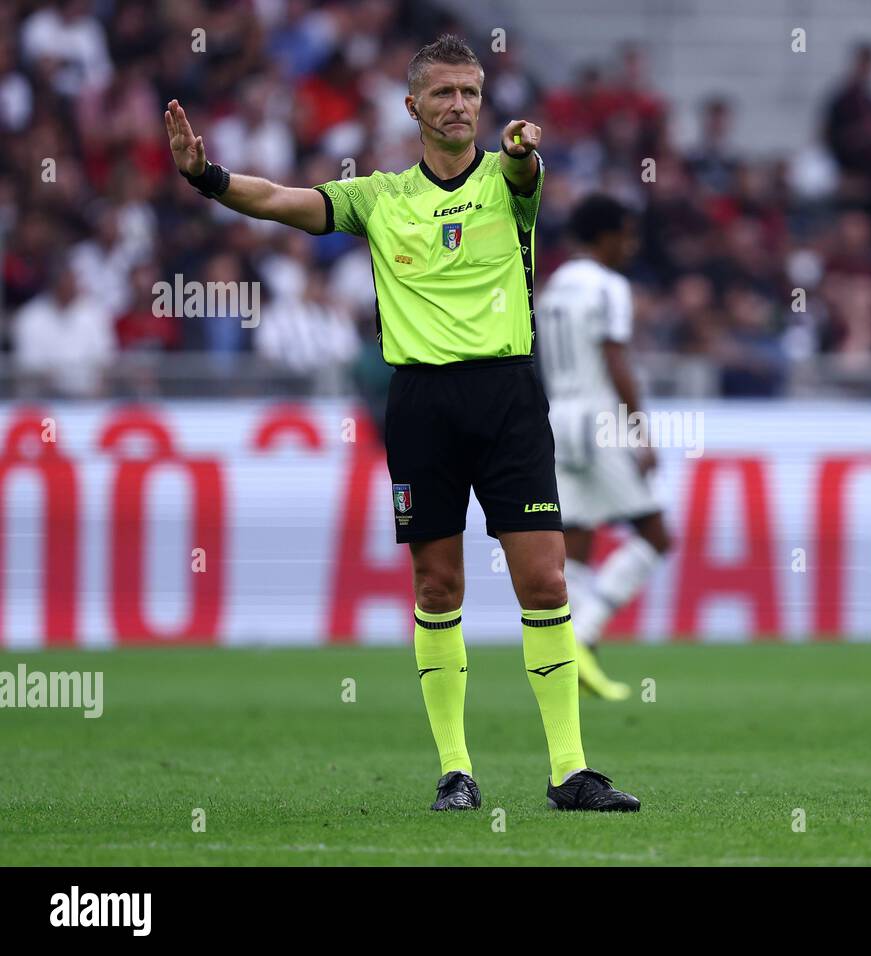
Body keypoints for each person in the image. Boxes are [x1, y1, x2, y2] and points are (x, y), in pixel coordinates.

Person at [163, 34, 639, 813]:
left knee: (546, 577)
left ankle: (570, 771)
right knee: (437, 582)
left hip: (510, 397)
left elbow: (524, 167)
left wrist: (522, 151)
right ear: (411, 104)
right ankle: (456, 770)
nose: (461, 106)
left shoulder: (509, 178)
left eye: (472, 93)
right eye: (445, 93)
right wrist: (207, 177)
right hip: (421, 404)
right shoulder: (377, 197)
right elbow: (284, 200)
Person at [536, 195, 673, 701]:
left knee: (577, 543)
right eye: (627, 234)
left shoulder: (550, 290)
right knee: (656, 535)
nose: (631, 246)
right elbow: (615, 359)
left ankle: (561, 655)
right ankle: (584, 636)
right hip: (598, 419)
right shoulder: (610, 287)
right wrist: (639, 430)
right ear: (606, 236)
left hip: (558, 418)